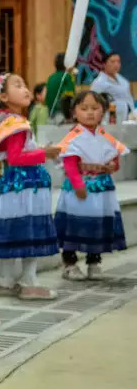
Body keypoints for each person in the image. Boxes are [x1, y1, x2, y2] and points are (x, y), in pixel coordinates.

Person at [0, 73, 60, 300]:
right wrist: (43, 153)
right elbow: (16, 158)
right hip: (25, 186)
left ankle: (5, 281)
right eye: (18, 85)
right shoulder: (15, 124)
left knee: (13, 230)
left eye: (25, 83)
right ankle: (29, 281)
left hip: (14, 186)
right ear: (4, 96)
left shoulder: (7, 120)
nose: (26, 88)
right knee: (29, 230)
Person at [55, 90, 128, 281]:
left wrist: (113, 165)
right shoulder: (73, 137)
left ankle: (94, 261)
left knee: (98, 224)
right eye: (84, 108)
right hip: (81, 189)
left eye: (95, 108)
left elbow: (115, 157)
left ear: (103, 111)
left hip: (102, 189)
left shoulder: (105, 136)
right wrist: (78, 185)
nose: (90, 112)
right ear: (74, 112)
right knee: (76, 224)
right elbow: (70, 164)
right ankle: (69, 263)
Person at [90, 52, 135, 123]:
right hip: (111, 119)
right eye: (112, 61)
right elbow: (93, 102)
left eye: (118, 61)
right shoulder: (99, 82)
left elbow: (129, 98)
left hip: (129, 116)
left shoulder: (122, 80)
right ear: (104, 64)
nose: (116, 64)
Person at [46, 53, 77, 122]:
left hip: (49, 113)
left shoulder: (51, 77)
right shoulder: (68, 77)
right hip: (62, 114)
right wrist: (69, 117)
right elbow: (67, 97)